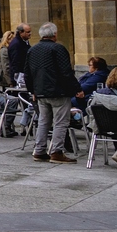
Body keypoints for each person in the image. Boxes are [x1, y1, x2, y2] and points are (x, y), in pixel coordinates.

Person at [25, 22, 76, 162]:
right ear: (54, 34)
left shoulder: (32, 50)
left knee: (43, 121)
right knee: (60, 122)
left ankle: (39, 150)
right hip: (58, 91)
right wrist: (76, 88)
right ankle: (56, 151)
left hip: (40, 91)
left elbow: (27, 73)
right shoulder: (58, 48)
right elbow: (66, 71)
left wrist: (32, 90)